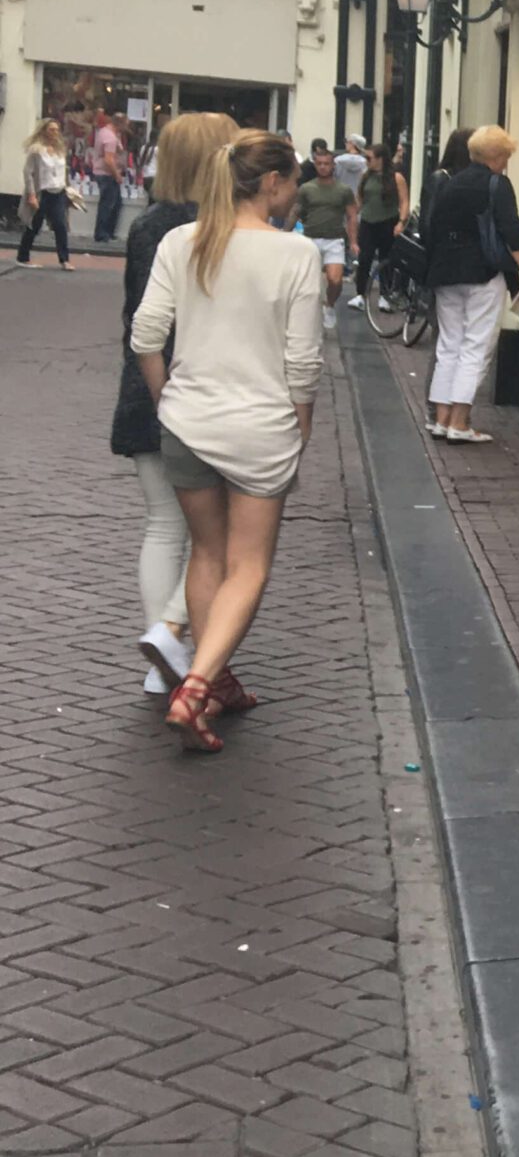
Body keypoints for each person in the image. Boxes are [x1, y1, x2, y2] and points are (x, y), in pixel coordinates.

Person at [130, 131, 325, 753]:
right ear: (271, 183)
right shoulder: (295, 254)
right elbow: (303, 362)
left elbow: (145, 335)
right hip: (260, 428)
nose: (295, 195)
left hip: (187, 423)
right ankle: (195, 689)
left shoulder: (180, 241)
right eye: (293, 184)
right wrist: (302, 426)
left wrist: (165, 401)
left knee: (206, 555)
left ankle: (216, 681)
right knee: (249, 565)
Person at [115, 112, 241, 700]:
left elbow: (138, 320)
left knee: (163, 525)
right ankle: (174, 632)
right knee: (222, 534)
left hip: (145, 388)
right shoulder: (230, 228)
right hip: (207, 392)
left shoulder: (149, 226)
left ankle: (163, 652)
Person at [421, 125, 519, 443]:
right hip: (483, 274)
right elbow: (511, 231)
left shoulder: (450, 184)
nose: (506, 163)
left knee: (448, 346)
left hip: (445, 274)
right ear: (497, 156)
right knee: (476, 347)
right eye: (506, 156)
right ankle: (459, 424)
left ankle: (441, 419)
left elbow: (433, 229)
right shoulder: (497, 184)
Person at [295, 151, 360, 335]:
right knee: (309, 283)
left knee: (335, 280)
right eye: (319, 163)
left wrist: (353, 241)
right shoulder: (307, 188)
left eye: (326, 163)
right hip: (311, 238)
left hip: (334, 239)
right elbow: (296, 211)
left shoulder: (343, 190)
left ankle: (329, 304)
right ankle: (309, 317)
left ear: (333, 166)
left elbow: (352, 216)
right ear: (315, 165)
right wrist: (284, 233)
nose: (323, 167)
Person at [352, 142, 407, 300]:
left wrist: (401, 222)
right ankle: (361, 294)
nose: (366, 161)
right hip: (368, 222)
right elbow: (359, 200)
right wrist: (352, 216)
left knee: (386, 259)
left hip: (388, 222)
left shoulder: (396, 178)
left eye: (369, 158)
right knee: (364, 258)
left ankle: (385, 294)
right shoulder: (365, 177)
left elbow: (404, 201)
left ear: (380, 159)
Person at [19, 119, 74, 268]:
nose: (55, 133)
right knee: (34, 225)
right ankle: (23, 256)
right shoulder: (37, 150)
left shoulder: (60, 150)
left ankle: (64, 260)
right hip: (42, 192)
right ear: (44, 131)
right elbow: (28, 173)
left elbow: (63, 171)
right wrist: (31, 194)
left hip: (58, 192)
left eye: (57, 130)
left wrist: (68, 189)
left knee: (60, 225)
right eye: (51, 130)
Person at [92, 110, 128, 243]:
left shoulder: (105, 132)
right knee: (108, 204)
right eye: (126, 125)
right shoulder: (110, 138)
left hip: (105, 173)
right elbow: (109, 160)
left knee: (115, 203)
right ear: (120, 124)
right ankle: (102, 234)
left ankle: (108, 232)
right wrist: (117, 175)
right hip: (107, 174)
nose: (126, 128)